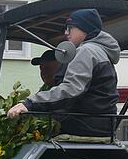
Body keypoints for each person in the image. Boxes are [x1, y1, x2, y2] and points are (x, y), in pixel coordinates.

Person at [7, 9, 120, 137]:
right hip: (99, 123)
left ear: (85, 28)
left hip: (85, 123)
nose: (66, 32)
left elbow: (71, 90)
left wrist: (30, 103)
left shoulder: (86, 51)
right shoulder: (99, 51)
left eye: (70, 27)